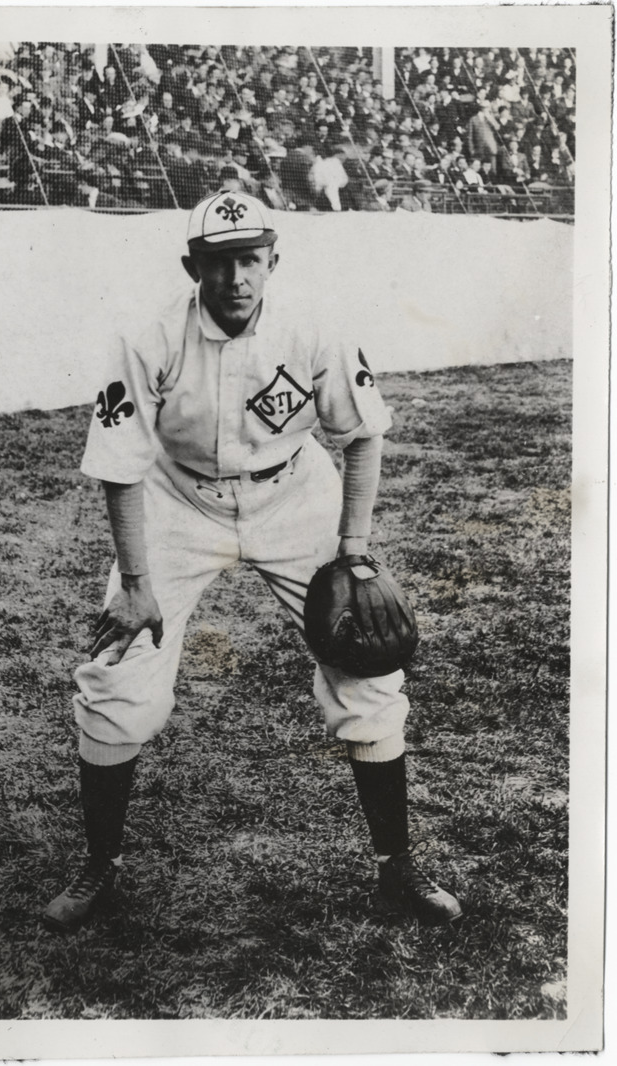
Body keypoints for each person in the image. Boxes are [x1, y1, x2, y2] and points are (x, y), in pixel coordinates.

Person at [42, 191, 463, 935]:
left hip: (292, 493)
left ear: (272, 261)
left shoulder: (313, 328)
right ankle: (99, 864)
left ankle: (396, 866)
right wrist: (136, 584)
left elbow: (362, 433)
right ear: (192, 267)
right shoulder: (148, 337)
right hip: (177, 499)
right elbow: (119, 464)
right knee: (117, 674)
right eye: (218, 262)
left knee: (366, 665)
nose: (235, 278)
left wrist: (354, 549)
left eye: (248, 260)